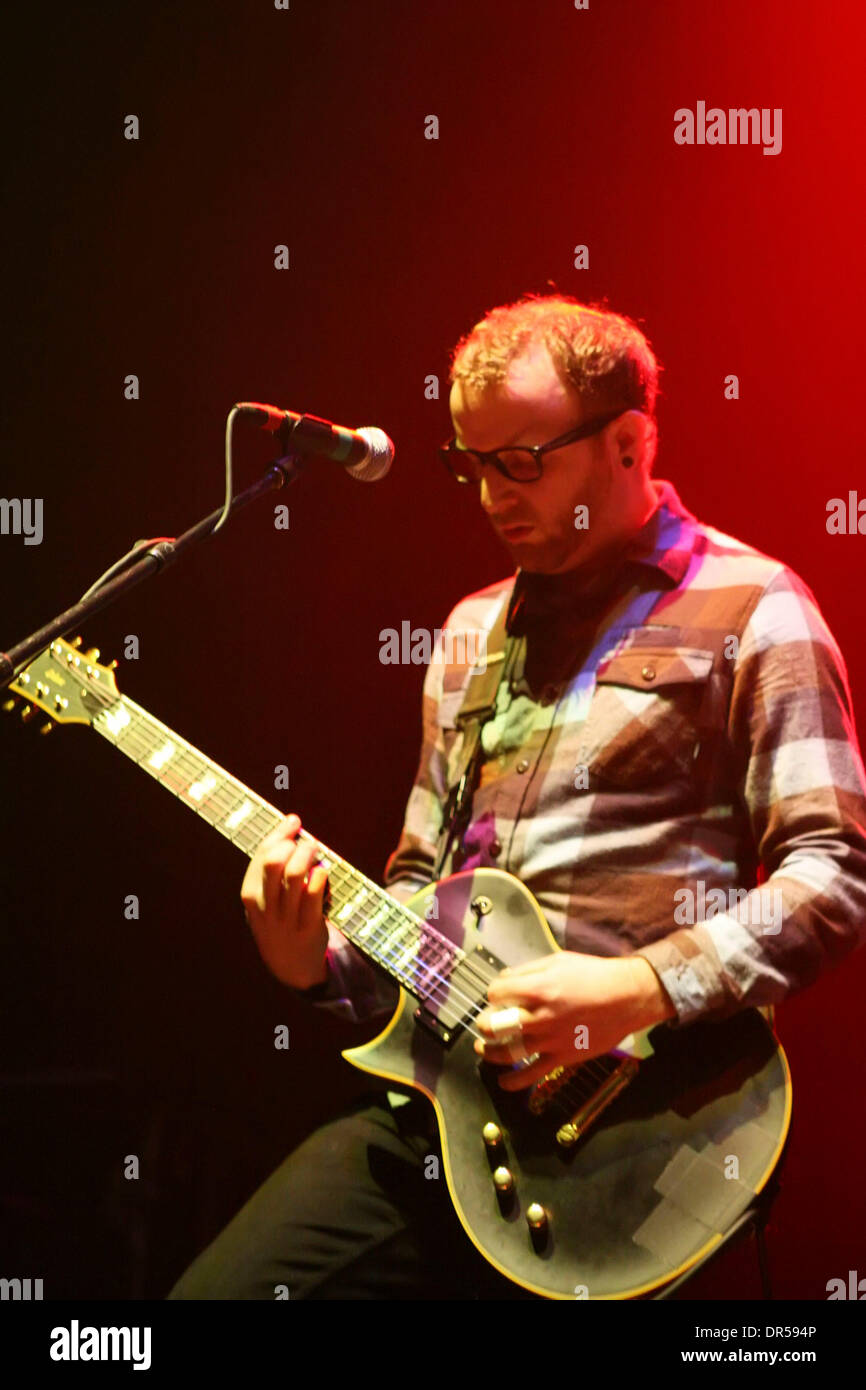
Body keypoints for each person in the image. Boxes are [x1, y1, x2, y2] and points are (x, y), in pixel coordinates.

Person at [168, 294, 866, 1300]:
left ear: (628, 442)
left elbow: (833, 873)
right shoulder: (466, 634)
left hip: (637, 1135)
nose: (490, 494)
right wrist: (311, 963)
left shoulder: (752, 607)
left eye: (520, 461)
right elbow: (416, 890)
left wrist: (639, 987)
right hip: (440, 1118)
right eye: (469, 463)